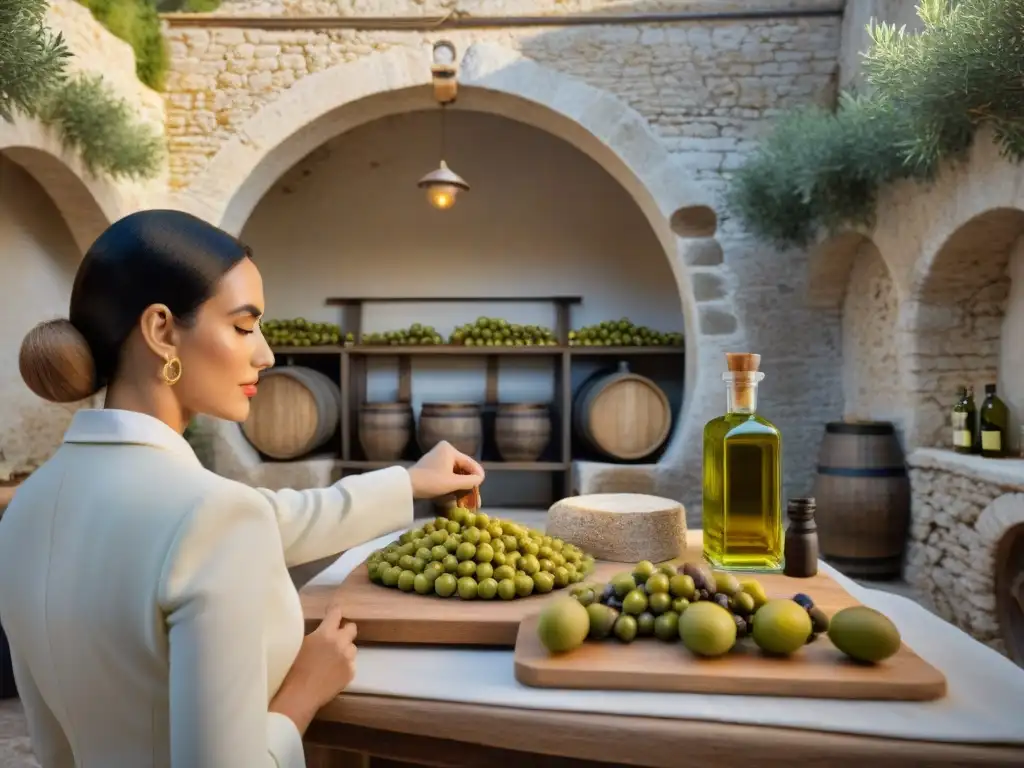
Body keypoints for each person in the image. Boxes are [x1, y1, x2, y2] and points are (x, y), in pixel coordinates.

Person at [0, 209, 484, 768]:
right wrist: (303, 691)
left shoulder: (25, 513)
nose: (266, 354)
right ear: (161, 331)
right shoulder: (211, 517)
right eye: (243, 325)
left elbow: (266, 519)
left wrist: (410, 481)